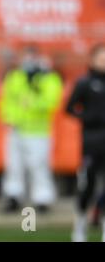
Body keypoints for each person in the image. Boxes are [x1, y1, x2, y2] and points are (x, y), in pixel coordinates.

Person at [0, 45, 63, 213]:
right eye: (25, 57)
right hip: (16, 128)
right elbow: (7, 100)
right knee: (13, 165)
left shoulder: (48, 77)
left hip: (37, 130)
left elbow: (51, 101)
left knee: (38, 165)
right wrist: (9, 118)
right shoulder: (15, 76)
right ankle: (14, 196)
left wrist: (32, 102)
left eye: (31, 56)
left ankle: (42, 198)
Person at [67, 43, 105, 242]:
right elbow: (70, 107)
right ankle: (80, 226)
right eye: (101, 57)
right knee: (88, 185)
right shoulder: (84, 83)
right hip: (91, 142)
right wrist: (88, 117)